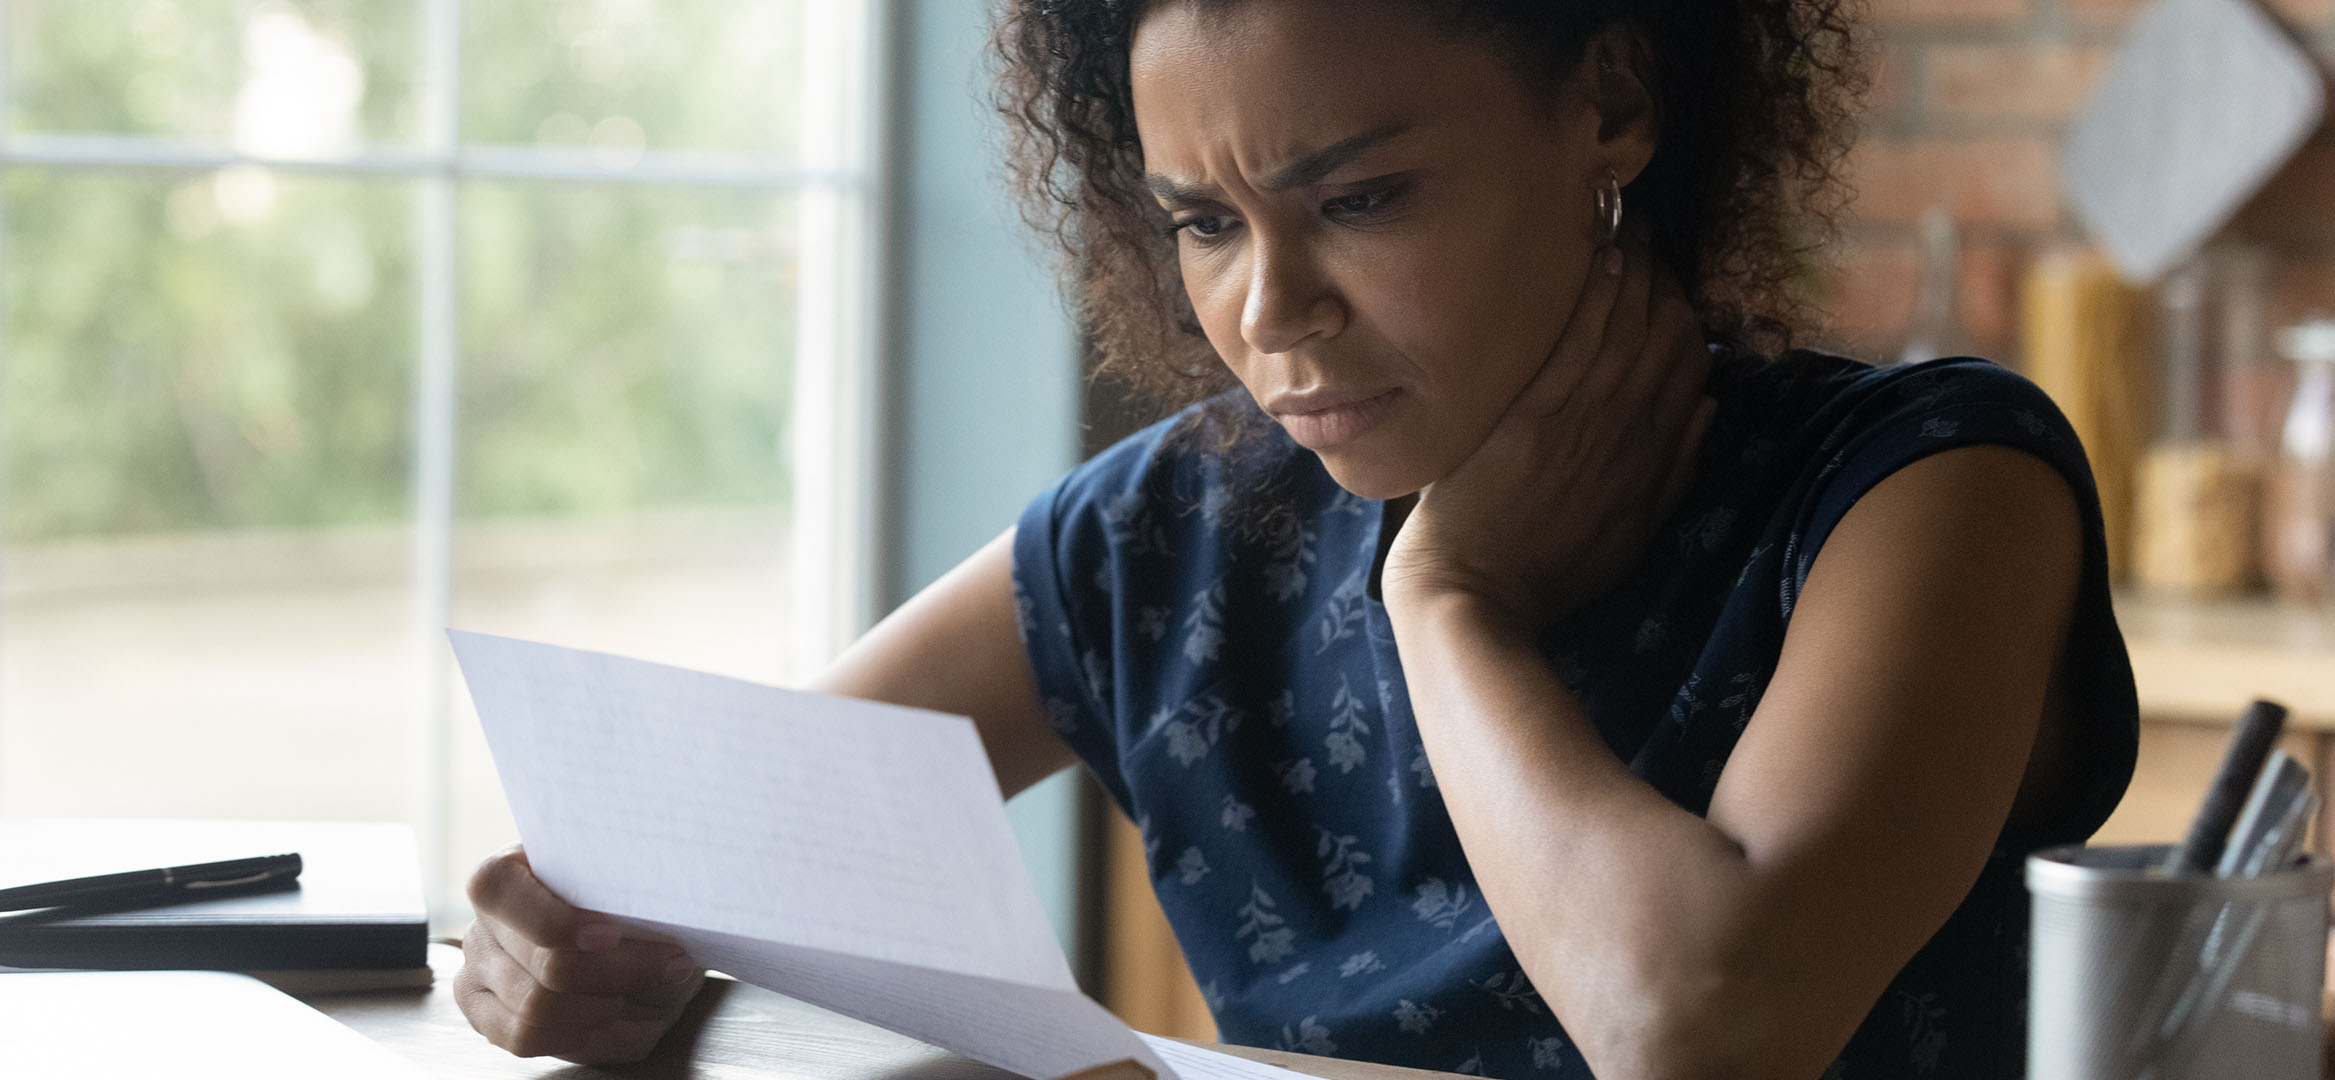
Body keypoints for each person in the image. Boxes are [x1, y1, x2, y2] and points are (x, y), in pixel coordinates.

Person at [454, 1, 2138, 1077]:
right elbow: (689, 861)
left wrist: (1450, 599)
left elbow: (1704, 1030)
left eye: (1359, 199)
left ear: (1614, 105)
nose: (1270, 314)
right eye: (1204, 223)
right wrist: (559, 947)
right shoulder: (1171, 530)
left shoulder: (1926, 488)